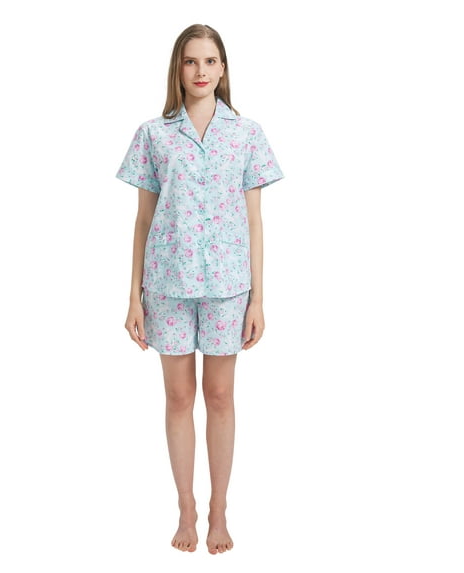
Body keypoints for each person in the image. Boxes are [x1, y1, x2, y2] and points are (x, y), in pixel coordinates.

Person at [116, 23, 283, 554]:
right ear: (178, 69)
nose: (201, 71)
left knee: (220, 396)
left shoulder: (247, 134)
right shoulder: (153, 134)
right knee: (178, 396)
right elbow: (143, 220)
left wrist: (259, 299)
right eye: (191, 61)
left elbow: (254, 221)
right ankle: (186, 508)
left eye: (210, 61)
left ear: (223, 68)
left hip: (228, 287)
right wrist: (133, 296)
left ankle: (219, 510)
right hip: (166, 284)